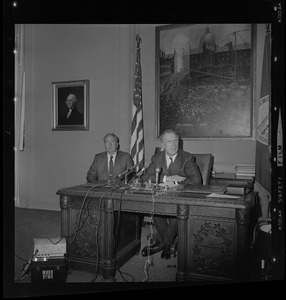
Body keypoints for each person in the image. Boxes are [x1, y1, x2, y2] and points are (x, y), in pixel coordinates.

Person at [141, 129, 202, 259]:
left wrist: (174, 181)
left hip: (182, 198)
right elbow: (145, 177)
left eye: (176, 141)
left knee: (176, 213)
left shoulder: (187, 158)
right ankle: (168, 244)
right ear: (162, 144)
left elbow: (197, 180)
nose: (174, 145)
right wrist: (165, 178)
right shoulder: (157, 157)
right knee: (155, 211)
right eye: (169, 142)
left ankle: (163, 245)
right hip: (162, 197)